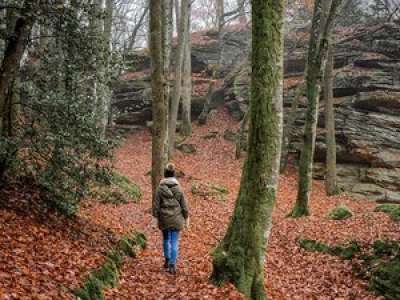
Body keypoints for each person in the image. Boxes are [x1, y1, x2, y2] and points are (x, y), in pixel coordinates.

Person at [152, 163, 189, 274]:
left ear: (165, 174)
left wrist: (156, 217)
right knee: (174, 241)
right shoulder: (179, 188)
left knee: (165, 239)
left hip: (164, 218)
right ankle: (172, 264)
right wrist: (186, 218)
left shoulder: (160, 188)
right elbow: (184, 206)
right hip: (176, 219)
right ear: (174, 175)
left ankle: (167, 260)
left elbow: (156, 205)